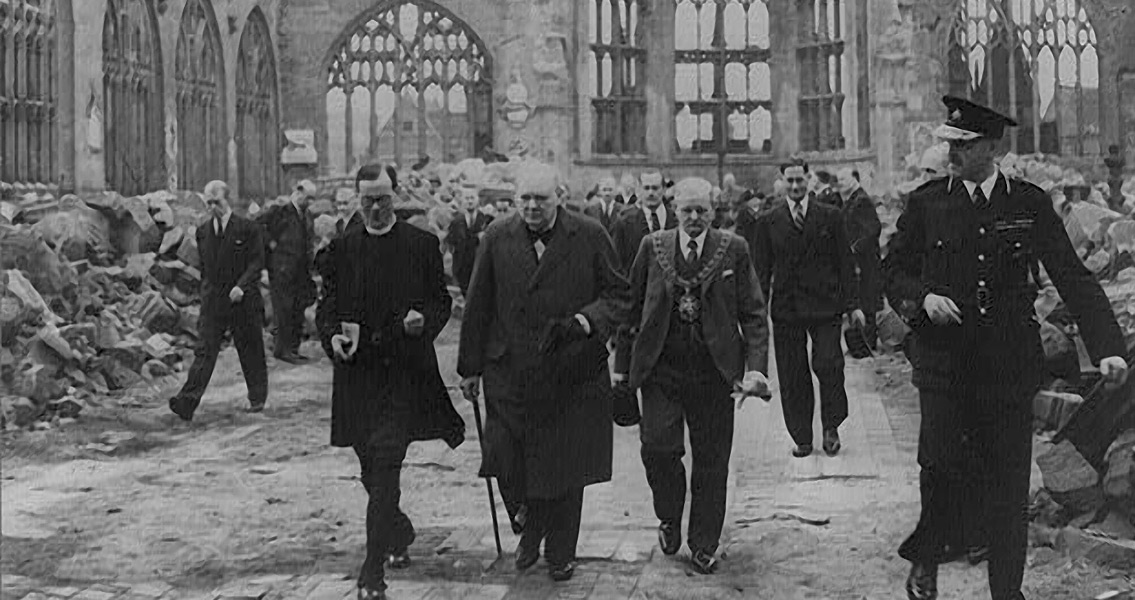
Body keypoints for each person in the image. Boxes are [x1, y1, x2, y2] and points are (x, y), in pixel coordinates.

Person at [884, 95, 1130, 600]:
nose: (952, 151)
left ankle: (1007, 591)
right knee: (940, 464)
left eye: (965, 144)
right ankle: (928, 556)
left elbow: (1072, 275)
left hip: (1006, 368)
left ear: (992, 147)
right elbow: (892, 271)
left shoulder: (1029, 202)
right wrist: (923, 297)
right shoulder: (927, 203)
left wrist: (1108, 347)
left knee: (1008, 481)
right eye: (950, 142)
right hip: (944, 366)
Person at [457, 163, 631, 582]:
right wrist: (470, 368)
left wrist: (586, 321)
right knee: (504, 451)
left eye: (541, 199)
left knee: (565, 464)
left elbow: (620, 295)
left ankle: (560, 550)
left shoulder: (588, 234)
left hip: (570, 369)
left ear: (560, 197)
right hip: (510, 369)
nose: (532, 207)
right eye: (525, 200)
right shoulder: (498, 236)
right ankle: (528, 519)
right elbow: (478, 303)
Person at [316, 163, 465, 600]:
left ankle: (371, 572)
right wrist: (333, 338)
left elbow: (441, 303)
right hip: (358, 376)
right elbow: (326, 311)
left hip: (404, 374)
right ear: (356, 200)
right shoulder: (342, 249)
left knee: (385, 466)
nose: (376, 208)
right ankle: (397, 531)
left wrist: (425, 322)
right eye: (367, 201)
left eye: (383, 199)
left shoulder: (421, 245)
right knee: (370, 470)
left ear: (396, 196)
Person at [614, 177, 770, 574]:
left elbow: (753, 313)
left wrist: (755, 369)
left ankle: (703, 544)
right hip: (661, 370)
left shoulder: (733, 249)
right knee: (658, 449)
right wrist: (621, 369)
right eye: (687, 210)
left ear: (714, 211)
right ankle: (668, 515)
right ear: (674, 209)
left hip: (715, 373)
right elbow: (630, 309)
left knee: (712, 462)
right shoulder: (653, 247)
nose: (695, 217)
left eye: (702, 210)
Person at [753, 159, 865, 458]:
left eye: (799, 180)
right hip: (787, 309)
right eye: (789, 181)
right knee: (792, 375)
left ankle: (831, 427)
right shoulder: (768, 221)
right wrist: (756, 312)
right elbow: (761, 271)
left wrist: (853, 305)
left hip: (825, 306)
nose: (794, 186)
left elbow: (846, 264)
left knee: (829, 365)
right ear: (782, 183)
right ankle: (802, 436)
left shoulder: (830, 216)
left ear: (808, 180)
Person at [169, 181, 267, 420]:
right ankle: (186, 403)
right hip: (215, 301)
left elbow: (257, 262)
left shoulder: (247, 228)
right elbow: (206, 268)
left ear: (228, 201)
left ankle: (257, 397)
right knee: (204, 351)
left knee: (250, 348)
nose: (214, 207)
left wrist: (241, 286)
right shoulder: (203, 232)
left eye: (218, 202)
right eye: (209, 203)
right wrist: (206, 295)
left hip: (242, 300)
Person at [258, 179, 318, 363]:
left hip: (300, 271)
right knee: (283, 310)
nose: (309, 202)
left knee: (297, 309)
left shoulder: (307, 215)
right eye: (307, 198)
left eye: (312, 199)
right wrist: (272, 245)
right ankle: (282, 350)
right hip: (282, 269)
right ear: (298, 192)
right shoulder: (280, 210)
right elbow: (258, 225)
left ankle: (293, 348)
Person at [836, 169, 883, 350]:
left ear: (854, 179)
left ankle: (867, 342)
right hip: (858, 262)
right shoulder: (852, 200)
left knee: (867, 301)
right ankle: (862, 342)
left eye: (843, 179)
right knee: (861, 299)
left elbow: (873, 229)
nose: (840, 183)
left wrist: (854, 249)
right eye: (838, 180)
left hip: (866, 262)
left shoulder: (861, 200)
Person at [610, 170, 677, 271]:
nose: (651, 193)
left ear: (663, 190)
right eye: (646, 188)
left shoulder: (676, 219)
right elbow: (617, 262)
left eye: (655, 188)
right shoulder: (624, 222)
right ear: (639, 190)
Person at [446, 185, 493, 295]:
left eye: (472, 198)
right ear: (462, 200)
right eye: (467, 198)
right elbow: (452, 243)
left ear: (478, 200)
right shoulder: (456, 221)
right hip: (462, 267)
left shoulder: (486, 220)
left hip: (480, 265)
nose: (470, 201)